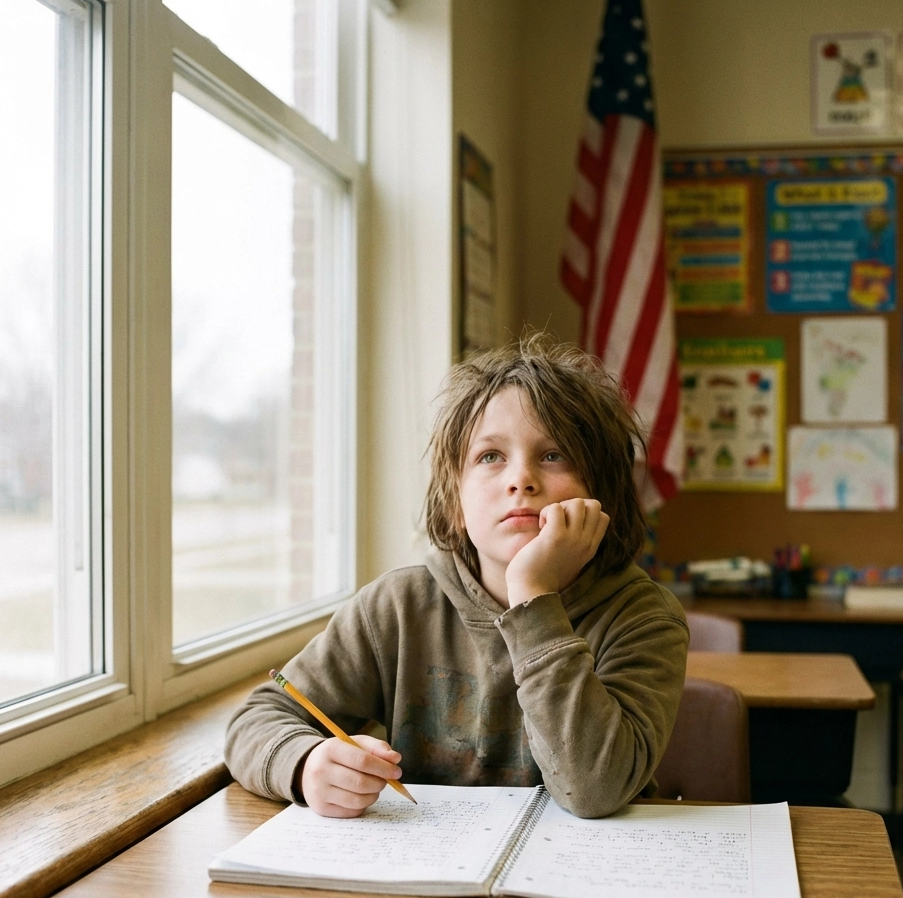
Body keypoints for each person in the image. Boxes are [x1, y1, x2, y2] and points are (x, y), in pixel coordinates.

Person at [225, 335, 689, 819]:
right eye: (490, 457)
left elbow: (594, 790)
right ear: (454, 503)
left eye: (554, 455)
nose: (521, 479)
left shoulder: (644, 617)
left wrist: (531, 595)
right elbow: (256, 720)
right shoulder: (397, 607)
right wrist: (305, 763)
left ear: (604, 493)